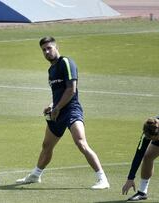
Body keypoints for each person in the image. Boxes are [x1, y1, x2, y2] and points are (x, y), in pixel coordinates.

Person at [16, 36, 109, 189]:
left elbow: (71, 89)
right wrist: (52, 106)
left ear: (56, 47)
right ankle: (35, 175)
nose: (46, 52)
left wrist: (58, 108)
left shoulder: (66, 62)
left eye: (49, 48)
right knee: (47, 145)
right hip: (57, 112)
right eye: (43, 50)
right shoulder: (51, 69)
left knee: (81, 142)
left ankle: (102, 179)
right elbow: (58, 93)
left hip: (71, 110)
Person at [122, 116, 159, 201]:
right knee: (148, 156)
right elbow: (139, 154)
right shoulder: (149, 130)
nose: (155, 140)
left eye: (155, 138)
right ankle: (142, 192)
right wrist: (130, 178)